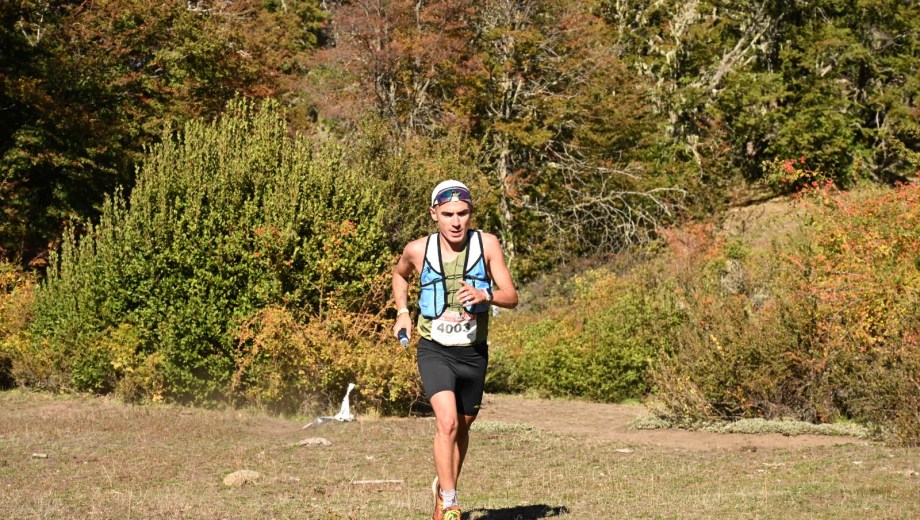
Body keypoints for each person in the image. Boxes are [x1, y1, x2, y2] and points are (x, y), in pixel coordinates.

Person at [392, 180, 518, 520]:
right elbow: (400, 277)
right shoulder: (418, 250)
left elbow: (512, 296)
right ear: (434, 214)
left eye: (462, 213)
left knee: (462, 427)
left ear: (470, 213)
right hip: (435, 349)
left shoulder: (487, 244)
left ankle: (443, 487)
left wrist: (485, 295)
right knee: (446, 422)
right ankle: (449, 504)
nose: (456, 221)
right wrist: (403, 313)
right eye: (447, 214)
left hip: (473, 353)